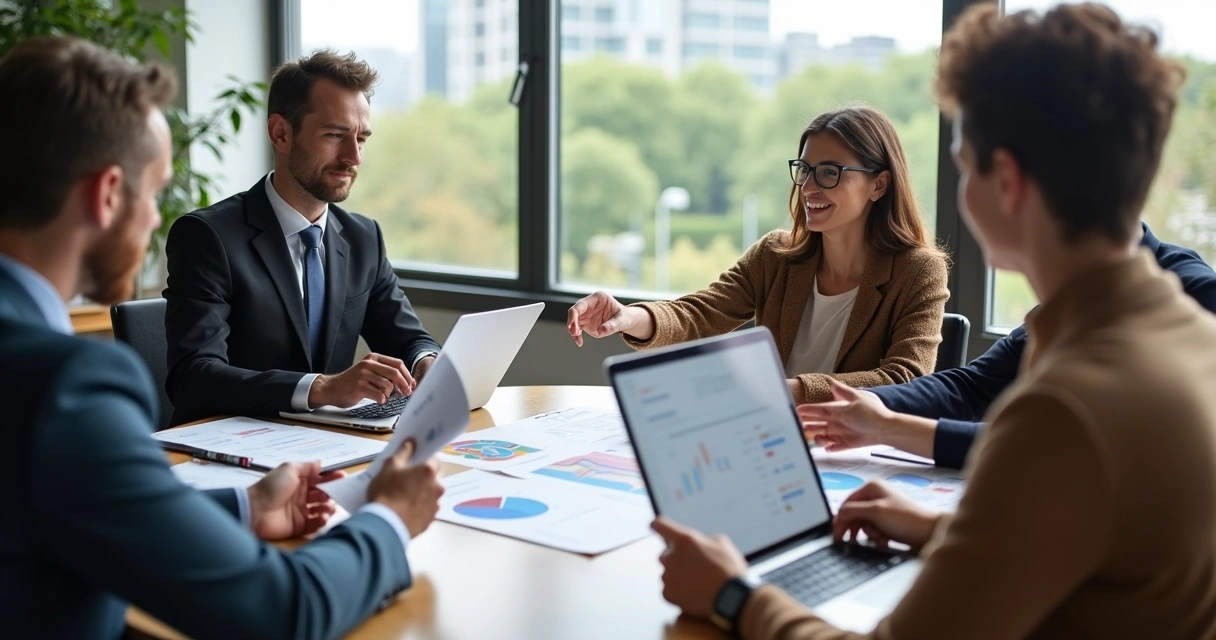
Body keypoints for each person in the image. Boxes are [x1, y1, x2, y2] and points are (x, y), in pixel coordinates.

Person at [652, 4, 1216, 638]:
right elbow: (1106, 535)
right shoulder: (1192, 340)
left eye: (963, 161)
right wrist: (944, 532)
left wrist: (732, 595)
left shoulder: (1061, 411)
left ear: (1005, 181)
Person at [0, 37, 444, 639]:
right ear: (107, 194)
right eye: (153, 191)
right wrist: (391, 518)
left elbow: (73, 505)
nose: (157, 217)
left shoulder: (361, 236)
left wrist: (245, 507)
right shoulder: (64, 388)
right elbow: (283, 611)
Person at [567, 106, 949, 404]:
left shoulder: (919, 271)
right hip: (767, 436)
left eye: (829, 172)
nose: (809, 187)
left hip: (854, 451)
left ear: (878, 184)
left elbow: (904, 380)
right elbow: (700, 314)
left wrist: (788, 391)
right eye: (804, 169)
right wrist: (627, 316)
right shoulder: (776, 255)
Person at [163, 49, 440, 426]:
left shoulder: (363, 238)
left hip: (329, 445)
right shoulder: (208, 237)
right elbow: (193, 377)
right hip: (230, 448)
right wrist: (321, 388)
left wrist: (426, 361)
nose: (353, 157)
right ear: (281, 133)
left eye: (361, 139)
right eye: (335, 135)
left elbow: (408, 339)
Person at [801, 220, 1216, 468]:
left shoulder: (1197, 299)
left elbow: (1046, 450)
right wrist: (874, 406)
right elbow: (972, 385)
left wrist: (890, 428)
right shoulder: (1081, 289)